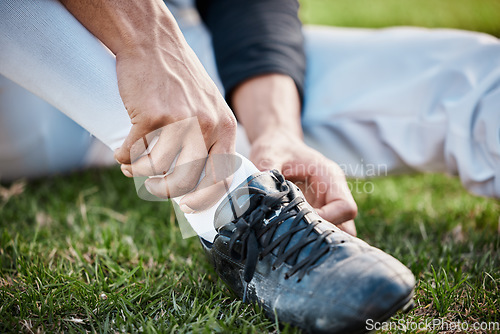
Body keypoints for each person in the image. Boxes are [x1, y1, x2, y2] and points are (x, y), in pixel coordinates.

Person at [1, 0, 498, 331]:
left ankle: (227, 161)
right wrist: (146, 42)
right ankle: (229, 203)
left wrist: (275, 128)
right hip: (23, 87)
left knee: (475, 75)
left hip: (177, 43)